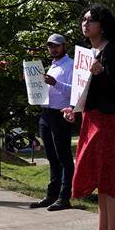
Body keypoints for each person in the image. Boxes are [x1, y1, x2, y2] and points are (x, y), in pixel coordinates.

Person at [62, 4, 115, 230]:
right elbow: (84, 90)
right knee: (101, 176)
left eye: (91, 20)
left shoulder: (111, 51)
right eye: (83, 20)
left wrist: (101, 73)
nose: (85, 24)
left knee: (111, 176)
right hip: (92, 118)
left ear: (103, 24)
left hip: (110, 121)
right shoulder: (88, 52)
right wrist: (73, 108)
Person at [30, 33, 75, 211]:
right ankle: (52, 195)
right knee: (51, 157)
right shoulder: (52, 66)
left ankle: (64, 197)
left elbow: (75, 92)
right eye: (50, 46)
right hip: (46, 114)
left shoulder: (70, 65)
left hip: (61, 115)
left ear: (65, 46)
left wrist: (55, 83)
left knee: (63, 157)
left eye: (56, 45)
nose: (53, 49)